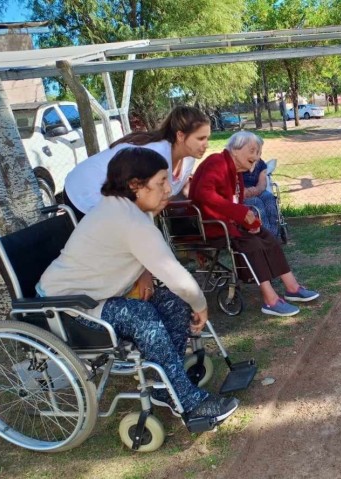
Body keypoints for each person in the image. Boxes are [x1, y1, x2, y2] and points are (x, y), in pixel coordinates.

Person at [37, 147, 239, 423]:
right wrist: (201, 305)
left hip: (97, 295)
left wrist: (146, 273)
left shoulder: (129, 208)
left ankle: (166, 384)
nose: (169, 189)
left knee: (171, 302)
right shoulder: (129, 220)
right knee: (143, 315)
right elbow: (176, 275)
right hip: (66, 308)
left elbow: (146, 258)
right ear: (135, 186)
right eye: (161, 182)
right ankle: (189, 403)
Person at [188, 131, 319, 317]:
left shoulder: (236, 172)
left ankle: (292, 287)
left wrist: (252, 222)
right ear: (235, 149)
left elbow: (236, 204)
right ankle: (270, 300)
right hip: (210, 226)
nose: (256, 156)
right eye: (252, 150)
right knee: (251, 244)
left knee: (267, 236)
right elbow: (204, 194)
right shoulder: (216, 162)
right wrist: (241, 215)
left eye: (258, 152)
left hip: (227, 223)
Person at [62, 106, 211, 220]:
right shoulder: (154, 154)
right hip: (83, 191)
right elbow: (137, 203)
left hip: (117, 199)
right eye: (200, 138)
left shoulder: (189, 158)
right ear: (180, 135)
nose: (206, 145)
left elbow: (159, 202)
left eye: (207, 138)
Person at [242, 157, 280, 238]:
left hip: (257, 189)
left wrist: (256, 190)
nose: (256, 154)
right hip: (242, 193)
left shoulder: (261, 164)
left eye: (258, 151)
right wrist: (246, 191)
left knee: (269, 198)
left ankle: (274, 233)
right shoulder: (238, 164)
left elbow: (262, 184)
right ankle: (267, 236)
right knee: (257, 202)